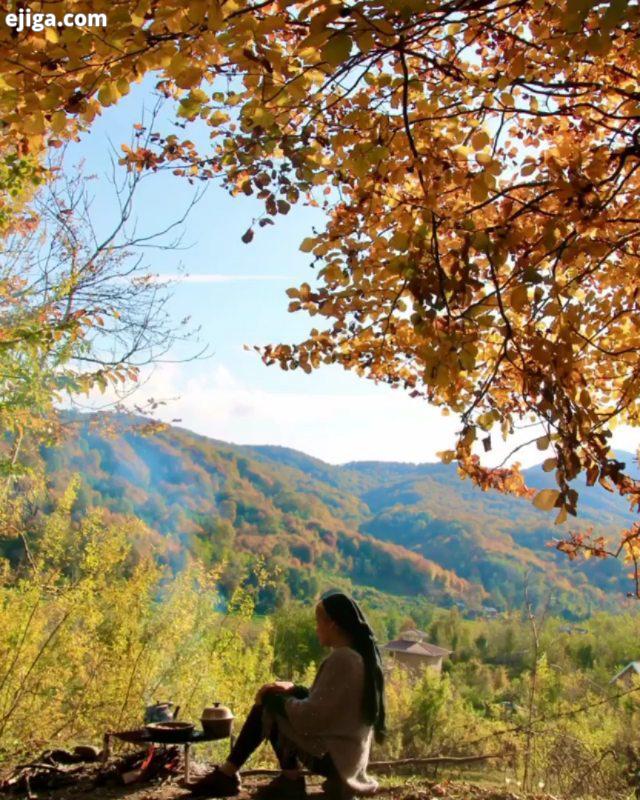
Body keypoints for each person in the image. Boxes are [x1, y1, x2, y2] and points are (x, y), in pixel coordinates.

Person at [188, 591, 385, 800]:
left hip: (337, 760)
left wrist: (276, 700)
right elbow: (329, 705)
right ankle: (269, 778)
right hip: (348, 756)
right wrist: (293, 689)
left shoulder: (342, 659)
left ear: (333, 625)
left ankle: (234, 776)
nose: (316, 628)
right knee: (275, 700)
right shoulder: (356, 657)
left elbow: (312, 718)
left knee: (269, 704)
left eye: (318, 622)